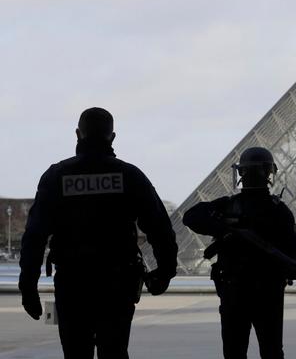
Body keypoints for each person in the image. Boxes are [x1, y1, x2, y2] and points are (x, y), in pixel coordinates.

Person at [18, 107, 178, 359]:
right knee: (114, 351)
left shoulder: (56, 176)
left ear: (78, 134)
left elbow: (34, 235)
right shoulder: (130, 175)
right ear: (112, 137)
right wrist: (165, 271)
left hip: (73, 282)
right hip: (118, 282)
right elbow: (160, 228)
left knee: (75, 352)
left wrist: (28, 285)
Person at [183, 147, 296, 359]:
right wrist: (229, 232)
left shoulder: (228, 205)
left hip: (235, 290)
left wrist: (222, 229)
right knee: (272, 351)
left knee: (234, 351)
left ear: (241, 173)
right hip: (266, 292)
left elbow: (191, 217)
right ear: (269, 173)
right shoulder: (279, 210)